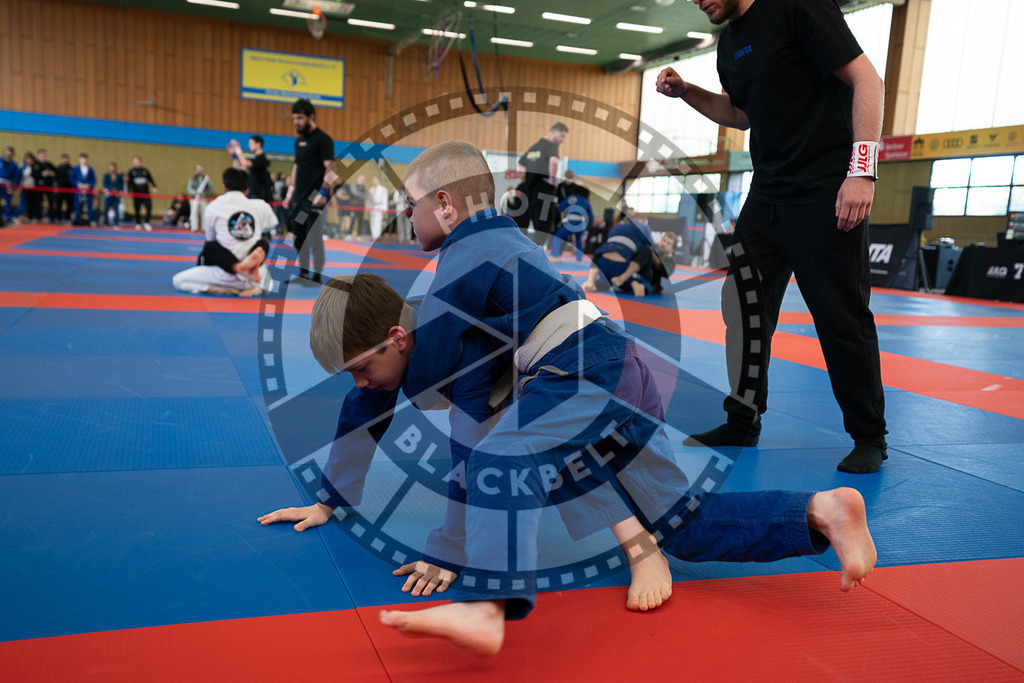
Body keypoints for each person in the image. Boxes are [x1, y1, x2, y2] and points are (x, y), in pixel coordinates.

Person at [263, 140, 877, 656]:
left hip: (581, 371)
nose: (405, 215)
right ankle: (821, 511)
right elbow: (368, 404)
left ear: (445, 203)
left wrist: (449, 549)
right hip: (619, 367)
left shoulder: (456, 278)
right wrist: (331, 500)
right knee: (682, 526)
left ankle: (488, 608)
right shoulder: (470, 268)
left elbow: (470, 446)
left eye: (411, 204)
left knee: (502, 461)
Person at [655, 0, 888, 474]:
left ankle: (869, 437)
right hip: (766, 196)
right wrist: (688, 92)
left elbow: (868, 79)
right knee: (742, 307)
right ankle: (743, 420)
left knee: (839, 316)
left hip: (825, 192)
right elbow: (740, 114)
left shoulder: (798, 7)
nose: (698, 1)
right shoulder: (729, 43)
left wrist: (862, 171)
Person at [171, 167, 276, 297]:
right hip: (252, 277)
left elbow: (210, 238)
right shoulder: (261, 206)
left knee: (179, 280)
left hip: (223, 274)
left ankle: (223, 288)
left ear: (224, 187)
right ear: (247, 189)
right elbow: (271, 226)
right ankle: (255, 286)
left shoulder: (214, 206)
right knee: (263, 245)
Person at [281, 98, 333, 284]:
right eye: (294, 118)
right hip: (300, 199)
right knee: (299, 236)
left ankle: (317, 274)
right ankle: (303, 273)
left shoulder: (323, 139)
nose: (296, 122)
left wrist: (323, 193)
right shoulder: (299, 141)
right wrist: (289, 195)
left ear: (311, 117)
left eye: (300, 118)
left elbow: (331, 169)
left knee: (315, 237)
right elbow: (296, 168)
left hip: (314, 197)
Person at [583, 221, 677, 296]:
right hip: (627, 273)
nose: (664, 244)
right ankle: (592, 282)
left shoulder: (669, 259)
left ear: (672, 249)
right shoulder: (649, 246)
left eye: (668, 243)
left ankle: (637, 284)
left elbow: (666, 273)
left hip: (646, 281)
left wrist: (653, 256)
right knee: (606, 282)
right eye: (664, 241)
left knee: (646, 251)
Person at [517, 123, 567, 247]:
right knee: (542, 228)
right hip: (544, 193)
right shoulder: (551, 146)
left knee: (523, 226)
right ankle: (534, 252)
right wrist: (552, 180)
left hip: (528, 191)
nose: (562, 140)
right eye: (562, 136)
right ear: (554, 131)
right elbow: (554, 161)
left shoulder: (535, 147)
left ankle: (523, 250)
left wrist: (525, 179)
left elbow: (521, 165)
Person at [548, 171, 593, 262]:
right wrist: (588, 226)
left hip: (570, 223)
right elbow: (590, 216)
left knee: (557, 236)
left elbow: (560, 208)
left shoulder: (570, 198)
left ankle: (555, 256)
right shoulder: (586, 202)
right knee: (578, 240)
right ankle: (579, 259)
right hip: (581, 225)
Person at [228, 135, 274, 202]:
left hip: (261, 196)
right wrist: (234, 155)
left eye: (251, 143)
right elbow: (241, 167)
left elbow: (244, 162)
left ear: (258, 144)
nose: (249, 145)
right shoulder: (255, 160)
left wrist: (237, 149)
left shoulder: (262, 159)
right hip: (254, 194)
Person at [126, 156, 158, 231]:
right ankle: (138, 223)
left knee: (149, 207)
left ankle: (146, 222)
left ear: (140, 162)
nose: (136, 163)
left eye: (137, 162)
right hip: (136, 195)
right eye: (134, 162)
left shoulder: (145, 171)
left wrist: (154, 186)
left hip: (146, 194)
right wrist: (128, 191)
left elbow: (151, 179)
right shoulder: (131, 172)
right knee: (137, 209)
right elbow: (129, 183)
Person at [29, 149, 56, 223]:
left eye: (44, 156)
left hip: (49, 186)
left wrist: (50, 173)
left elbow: (55, 173)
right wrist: (42, 174)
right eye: (41, 156)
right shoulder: (35, 165)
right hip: (38, 187)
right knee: (38, 202)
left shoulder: (49, 164)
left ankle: (52, 218)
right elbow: (33, 174)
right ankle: (38, 217)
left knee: (51, 202)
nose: (43, 157)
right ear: (38, 156)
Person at [69, 153, 97, 224]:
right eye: (82, 159)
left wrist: (89, 185)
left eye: (85, 159)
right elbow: (72, 178)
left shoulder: (90, 169)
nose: (83, 160)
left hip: (88, 190)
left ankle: (90, 220)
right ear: (79, 159)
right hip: (78, 190)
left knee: (89, 205)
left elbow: (94, 179)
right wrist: (78, 185)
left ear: (87, 160)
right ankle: (77, 220)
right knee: (77, 205)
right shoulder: (75, 169)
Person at [186, 165, 213, 233]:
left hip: (203, 199)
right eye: (196, 170)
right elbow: (189, 189)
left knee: (204, 214)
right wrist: (194, 192)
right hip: (195, 199)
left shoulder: (205, 179)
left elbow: (211, 188)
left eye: (199, 170)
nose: (197, 171)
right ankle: (194, 227)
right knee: (194, 213)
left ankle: (204, 228)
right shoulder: (192, 180)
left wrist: (208, 182)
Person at [101, 162, 124, 227]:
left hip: (116, 196)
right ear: (109, 168)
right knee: (106, 209)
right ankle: (105, 222)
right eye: (111, 167)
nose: (113, 168)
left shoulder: (119, 176)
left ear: (116, 168)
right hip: (108, 195)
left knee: (116, 209)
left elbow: (121, 185)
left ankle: (116, 223)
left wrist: (117, 190)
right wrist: (111, 189)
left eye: (114, 167)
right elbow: (105, 184)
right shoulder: (106, 176)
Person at [53, 153, 74, 223]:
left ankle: (68, 218)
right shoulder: (58, 168)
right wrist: (55, 187)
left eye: (67, 159)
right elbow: (55, 179)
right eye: (64, 159)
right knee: (59, 204)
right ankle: (58, 218)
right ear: (62, 159)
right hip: (60, 189)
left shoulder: (71, 169)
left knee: (69, 205)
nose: (65, 160)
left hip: (69, 190)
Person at [0, 147, 18, 225]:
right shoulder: (0, 161)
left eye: (9, 152)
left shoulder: (14, 165)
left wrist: (12, 186)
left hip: (7, 185)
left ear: (12, 154)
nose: (7, 153)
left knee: (7, 202)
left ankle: (7, 219)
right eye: (6, 151)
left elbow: (16, 177)